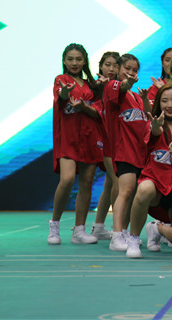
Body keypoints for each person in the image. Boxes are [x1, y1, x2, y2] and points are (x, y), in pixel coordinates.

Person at [126, 84, 172, 258]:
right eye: (165, 101)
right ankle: (133, 239)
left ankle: (158, 229)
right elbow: (154, 131)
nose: (170, 105)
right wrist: (155, 126)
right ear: (159, 103)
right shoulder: (153, 126)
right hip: (156, 184)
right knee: (144, 189)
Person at [48, 43, 103, 245]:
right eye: (70, 59)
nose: (74, 63)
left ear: (85, 61)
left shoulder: (91, 85)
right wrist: (64, 92)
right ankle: (54, 225)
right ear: (64, 60)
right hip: (68, 139)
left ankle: (79, 231)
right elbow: (62, 97)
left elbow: (98, 111)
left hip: (89, 138)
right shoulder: (61, 80)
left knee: (86, 183)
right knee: (67, 179)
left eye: (78, 59)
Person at [102, 54, 150, 251]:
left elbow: (148, 116)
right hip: (124, 150)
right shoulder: (112, 86)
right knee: (126, 191)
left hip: (140, 152)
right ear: (118, 69)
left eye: (134, 70)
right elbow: (122, 86)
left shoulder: (136, 97)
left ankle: (125, 232)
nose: (130, 72)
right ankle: (116, 236)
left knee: (135, 194)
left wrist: (146, 99)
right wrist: (127, 82)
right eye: (127, 68)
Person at [89, 51, 121, 240]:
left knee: (110, 183)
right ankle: (119, 229)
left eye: (115, 65)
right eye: (107, 64)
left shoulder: (119, 87)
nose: (111, 68)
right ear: (100, 66)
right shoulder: (95, 88)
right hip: (101, 142)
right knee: (116, 181)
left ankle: (99, 226)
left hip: (116, 142)